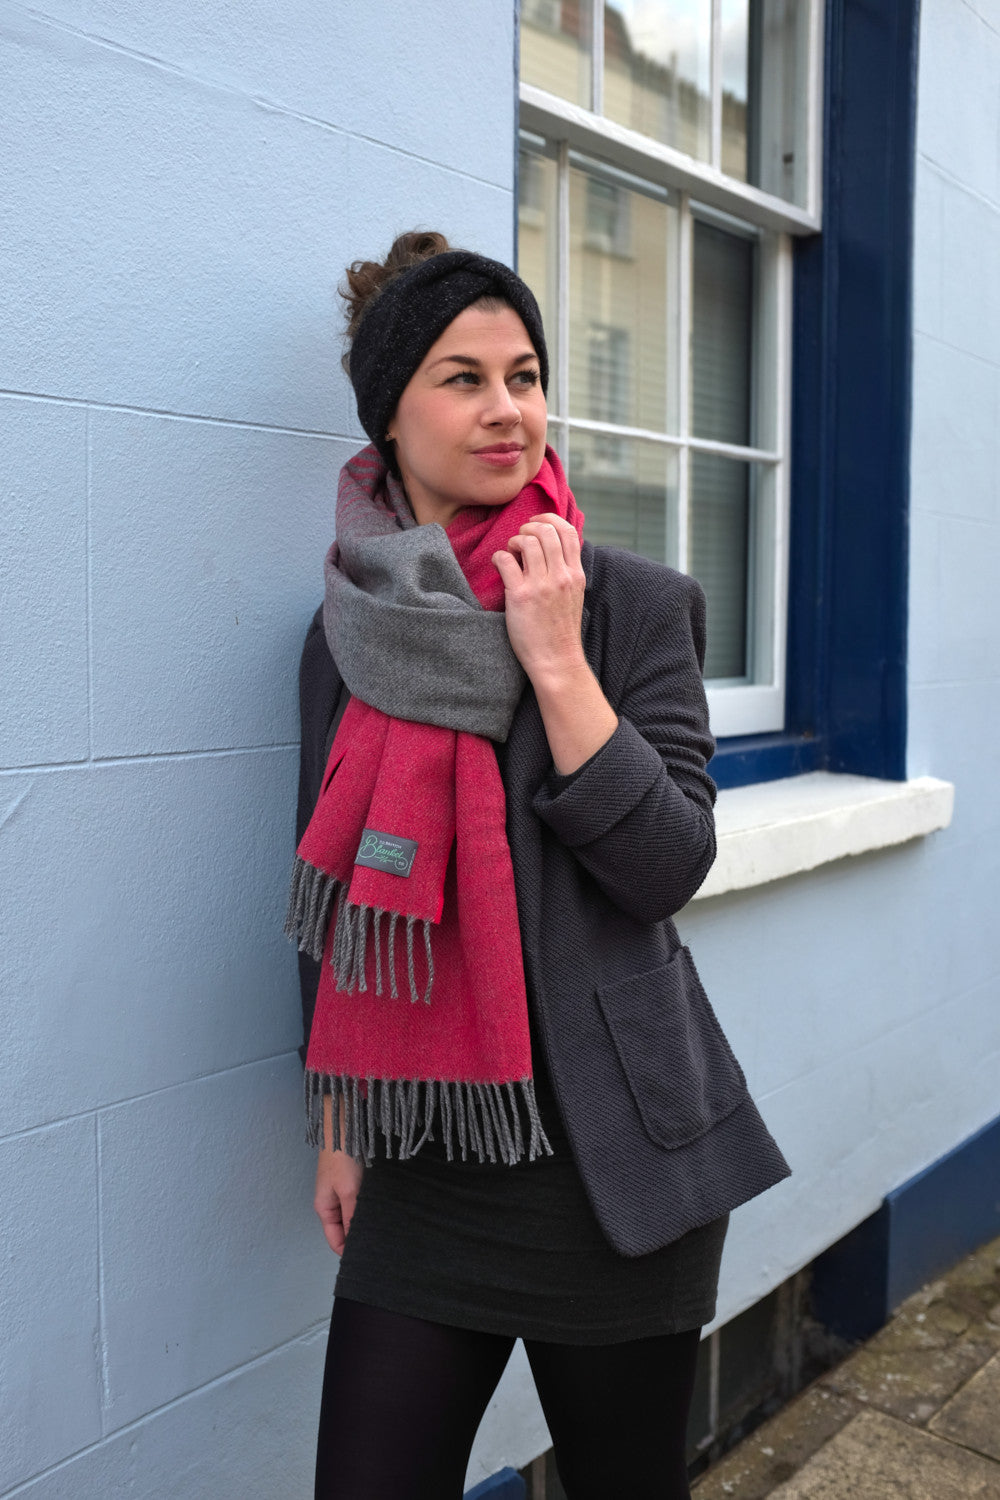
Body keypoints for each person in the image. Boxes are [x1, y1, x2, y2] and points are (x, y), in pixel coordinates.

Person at [286, 232, 791, 1500]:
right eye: (462, 379)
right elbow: (331, 905)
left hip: (614, 1163)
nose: (506, 408)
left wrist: (557, 661)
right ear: (389, 415)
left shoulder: (632, 606)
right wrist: (338, 1122)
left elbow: (665, 866)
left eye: (524, 376)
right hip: (426, 1155)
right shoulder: (345, 634)